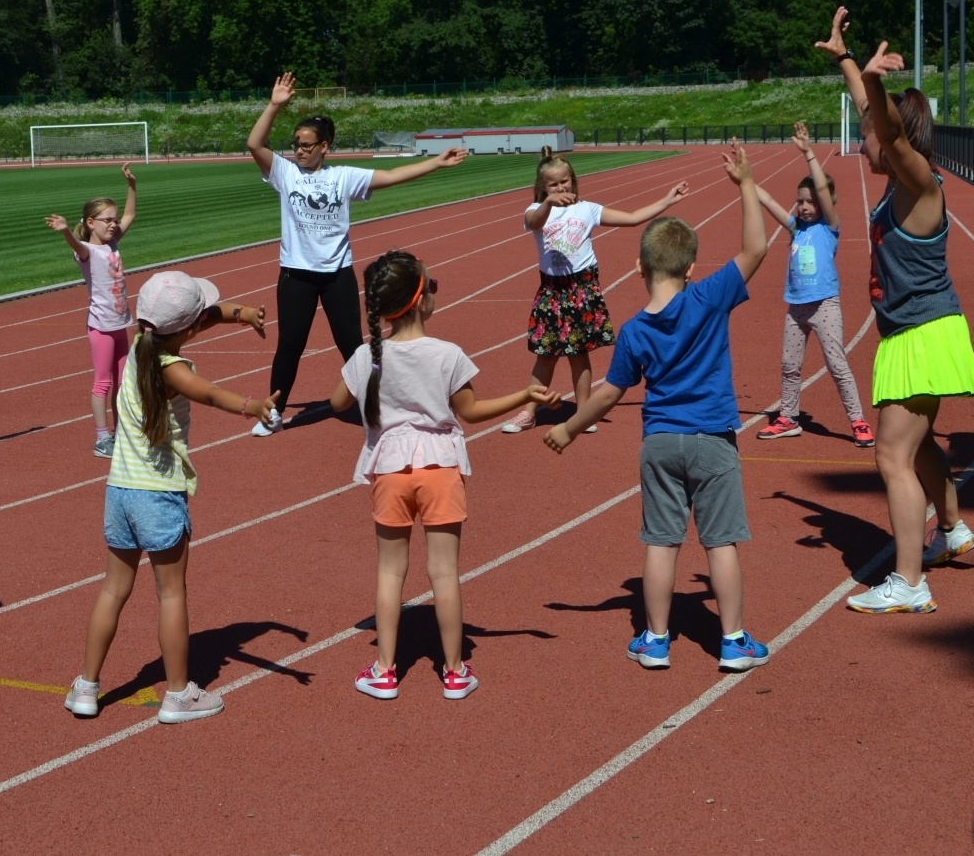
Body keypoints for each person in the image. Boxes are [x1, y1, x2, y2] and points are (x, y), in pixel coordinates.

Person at [545, 145, 772, 673]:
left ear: (640, 266)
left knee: (662, 543)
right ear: (691, 267)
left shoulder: (633, 332)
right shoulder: (710, 295)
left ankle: (655, 638)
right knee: (721, 543)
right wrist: (744, 184)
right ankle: (733, 641)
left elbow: (608, 393)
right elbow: (757, 247)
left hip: (661, 443)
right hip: (714, 438)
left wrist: (571, 429)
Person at [333, 250, 558, 700]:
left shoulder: (367, 354)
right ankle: (454, 672)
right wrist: (523, 395)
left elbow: (338, 402)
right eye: (431, 286)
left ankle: (384, 669)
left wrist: (370, 368)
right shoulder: (447, 354)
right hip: (440, 465)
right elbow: (471, 412)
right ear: (420, 301)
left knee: (390, 572)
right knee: (444, 573)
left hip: (390, 469)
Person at [66, 272, 277, 723]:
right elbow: (212, 394)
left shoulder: (141, 346)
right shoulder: (174, 370)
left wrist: (240, 314)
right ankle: (179, 695)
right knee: (171, 596)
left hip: (119, 490)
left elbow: (200, 318)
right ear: (189, 327)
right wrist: (252, 406)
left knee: (112, 590)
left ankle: (85, 686)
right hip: (158, 496)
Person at [828, 26, 974, 613]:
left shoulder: (918, 182)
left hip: (924, 331)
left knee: (891, 456)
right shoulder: (901, 183)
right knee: (918, 448)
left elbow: (886, 128)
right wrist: (847, 59)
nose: (864, 142)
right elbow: (878, 118)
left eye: (866, 133)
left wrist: (870, 81)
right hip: (908, 332)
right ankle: (953, 529)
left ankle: (910, 582)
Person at [245, 72, 468, 435]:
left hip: (337, 275)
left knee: (353, 345)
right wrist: (274, 105)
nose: (298, 150)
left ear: (324, 146)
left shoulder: (343, 177)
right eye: (295, 144)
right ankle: (274, 413)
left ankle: (377, 406)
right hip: (296, 275)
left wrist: (435, 163)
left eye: (306, 144)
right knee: (289, 346)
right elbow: (254, 143)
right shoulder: (285, 173)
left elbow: (393, 175)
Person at [502, 149, 688, 434]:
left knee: (579, 355)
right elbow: (535, 222)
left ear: (573, 180)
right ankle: (529, 411)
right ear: (542, 188)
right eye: (553, 184)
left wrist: (666, 200)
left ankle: (584, 412)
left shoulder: (587, 209)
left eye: (564, 181)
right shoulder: (535, 210)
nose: (560, 187)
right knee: (545, 355)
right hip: (552, 290)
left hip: (582, 287)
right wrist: (548, 202)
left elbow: (633, 217)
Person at [751, 124, 874, 447]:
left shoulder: (830, 227)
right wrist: (744, 176)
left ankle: (858, 420)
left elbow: (820, 186)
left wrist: (808, 153)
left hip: (824, 305)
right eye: (799, 201)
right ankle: (788, 418)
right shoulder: (795, 229)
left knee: (837, 364)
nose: (802, 207)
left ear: (823, 203)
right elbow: (765, 198)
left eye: (809, 201)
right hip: (796, 307)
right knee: (789, 366)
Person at [46, 163, 138, 458]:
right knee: (103, 382)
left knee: (124, 383)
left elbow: (131, 215)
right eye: (106, 220)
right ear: (90, 222)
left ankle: (122, 431)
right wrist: (64, 232)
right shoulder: (87, 250)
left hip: (120, 325)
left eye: (113, 219)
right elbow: (77, 243)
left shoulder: (112, 245)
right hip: (101, 328)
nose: (113, 224)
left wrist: (132, 186)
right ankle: (101, 438)